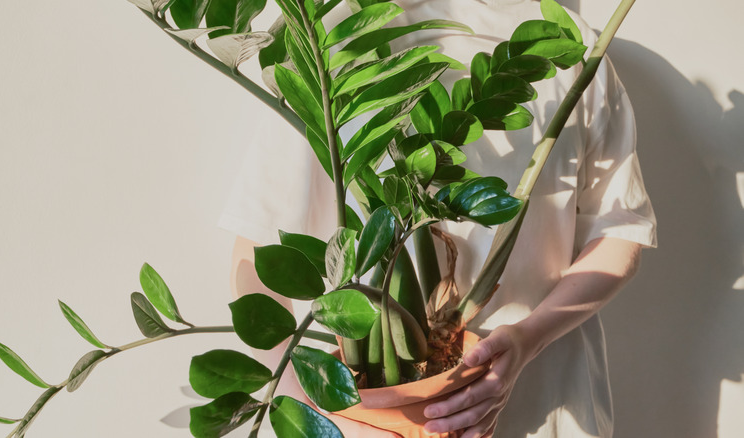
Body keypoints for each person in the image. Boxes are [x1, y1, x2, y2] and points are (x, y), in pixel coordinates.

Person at [220, 0, 657, 437]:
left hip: (549, 405)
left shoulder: (571, 51)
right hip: (371, 421)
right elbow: (258, 257)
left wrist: (528, 339)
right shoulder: (331, 43)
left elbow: (620, 232)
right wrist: (317, 423)